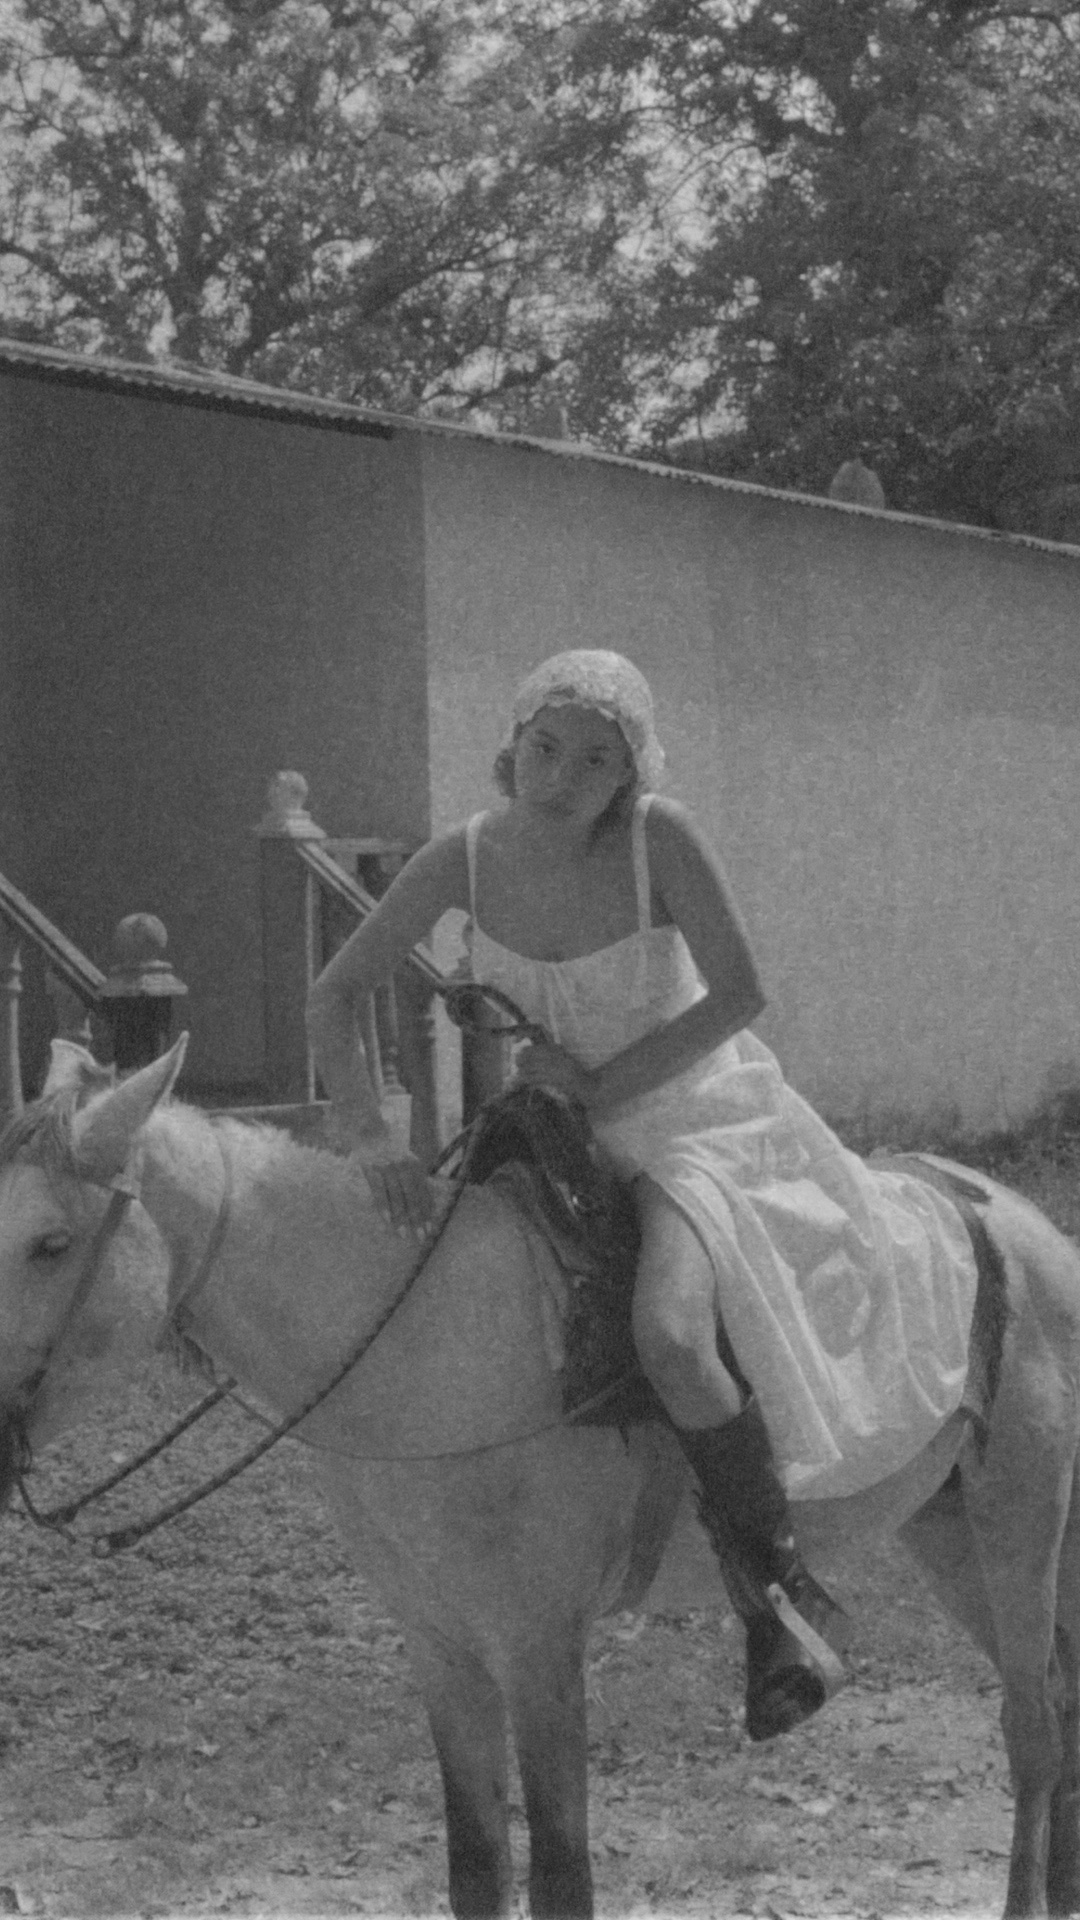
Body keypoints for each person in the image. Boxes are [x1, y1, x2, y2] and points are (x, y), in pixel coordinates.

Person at [306, 648, 977, 1742]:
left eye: (596, 759)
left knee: (669, 1333)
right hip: (553, 1137)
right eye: (545, 748)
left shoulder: (659, 839)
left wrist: (602, 1085)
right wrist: (368, 1134)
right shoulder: (460, 857)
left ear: (631, 772)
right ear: (512, 745)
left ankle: (780, 1600)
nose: (562, 776)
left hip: (692, 1122)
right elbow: (336, 995)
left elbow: (742, 995)